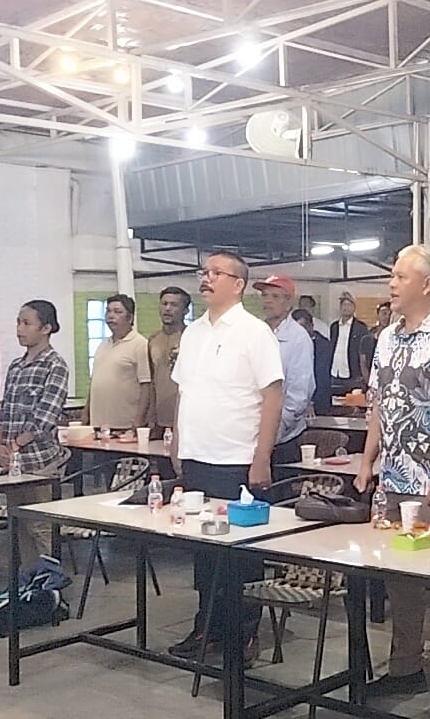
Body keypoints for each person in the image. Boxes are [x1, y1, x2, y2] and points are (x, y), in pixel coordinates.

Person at [353, 245, 430, 719]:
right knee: (398, 581)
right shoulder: (386, 337)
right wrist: (367, 461)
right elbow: (379, 406)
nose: (391, 283)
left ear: (426, 284)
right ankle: (405, 666)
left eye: (400, 276)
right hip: (392, 480)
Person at [168, 252, 283, 664]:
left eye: (217, 273)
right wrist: (177, 441)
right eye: (204, 272)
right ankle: (208, 627)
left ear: (238, 284)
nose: (207, 278)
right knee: (203, 552)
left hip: (236, 459)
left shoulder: (254, 332)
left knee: (240, 556)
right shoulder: (194, 333)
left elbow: (273, 396)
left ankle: (244, 634)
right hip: (197, 456)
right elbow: (183, 391)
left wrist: (262, 456)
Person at [0, 300, 72, 569]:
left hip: (40, 462)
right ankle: (27, 581)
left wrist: (15, 445)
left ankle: (49, 583)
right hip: (13, 462)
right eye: (18, 322)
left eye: (27, 323)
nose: (20, 329)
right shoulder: (16, 366)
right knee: (18, 525)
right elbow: (5, 408)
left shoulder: (55, 365)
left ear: (46, 328)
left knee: (40, 526)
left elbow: (45, 417)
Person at [255, 275, 315, 465]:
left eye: (275, 296)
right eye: (264, 295)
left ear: (289, 303)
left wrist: (274, 431)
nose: (268, 301)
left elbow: (299, 394)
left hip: (283, 439)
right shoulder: (255, 332)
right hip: (252, 433)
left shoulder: (298, 338)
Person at [84, 293, 151, 433]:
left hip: (125, 424)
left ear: (130, 317)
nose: (111, 316)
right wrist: (86, 414)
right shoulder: (103, 345)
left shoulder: (140, 344)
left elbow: (146, 385)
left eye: (117, 312)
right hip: (98, 423)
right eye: (108, 311)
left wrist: (139, 419)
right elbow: (94, 382)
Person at [147, 287, 190, 440]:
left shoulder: (193, 337)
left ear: (185, 310)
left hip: (186, 418)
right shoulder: (153, 339)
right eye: (164, 304)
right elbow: (151, 381)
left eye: (174, 305)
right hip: (159, 420)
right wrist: (150, 415)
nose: (168, 309)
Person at [294, 308, 332, 415]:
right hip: (294, 401)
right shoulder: (292, 344)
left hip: (318, 402)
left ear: (311, 326)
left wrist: (310, 402)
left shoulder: (323, 345)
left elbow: (320, 376)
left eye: (302, 327)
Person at [329, 292, 368, 393]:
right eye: (344, 305)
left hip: (352, 374)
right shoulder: (334, 326)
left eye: (349, 305)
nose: (346, 308)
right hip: (335, 372)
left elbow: (363, 351)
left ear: (354, 308)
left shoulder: (360, 327)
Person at [359, 301, 392, 385]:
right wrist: (370, 383)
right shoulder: (366, 340)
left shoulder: (396, 340)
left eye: (390, 314)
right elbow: (363, 363)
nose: (387, 317)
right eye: (384, 313)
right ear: (378, 315)